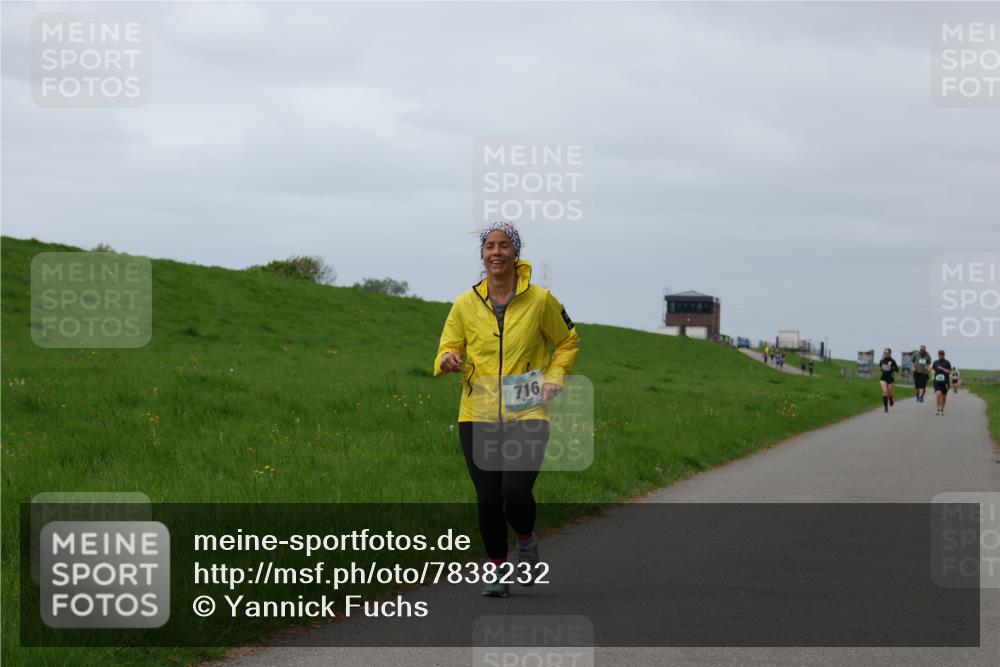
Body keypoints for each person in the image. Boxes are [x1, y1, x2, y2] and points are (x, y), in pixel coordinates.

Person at [434, 221, 580, 597]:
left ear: (516, 253)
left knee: (515, 490)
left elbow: (567, 342)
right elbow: (449, 345)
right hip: (477, 409)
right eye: (489, 246)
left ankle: (527, 543)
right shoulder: (465, 303)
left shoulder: (541, 300)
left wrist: (554, 377)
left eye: (503, 246)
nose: (496, 252)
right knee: (487, 496)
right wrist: (448, 358)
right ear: (482, 255)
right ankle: (497, 570)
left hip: (526, 406)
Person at [931, 350, 953, 415]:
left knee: (944, 396)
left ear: (944, 355)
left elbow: (949, 372)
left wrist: (943, 369)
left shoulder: (947, 362)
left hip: (945, 381)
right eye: (940, 354)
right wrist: (932, 371)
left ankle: (942, 409)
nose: (941, 355)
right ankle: (937, 408)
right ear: (938, 355)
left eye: (942, 354)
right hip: (937, 381)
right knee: (938, 394)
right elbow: (932, 369)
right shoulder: (935, 362)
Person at [878, 348, 899, 412]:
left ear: (890, 353)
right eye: (885, 353)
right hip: (883, 378)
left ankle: (891, 399)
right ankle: (886, 408)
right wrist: (881, 368)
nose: (886, 354)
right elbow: (880, 368)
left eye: (888, 353)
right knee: (885, 391)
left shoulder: (892, 361)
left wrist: (892, 368)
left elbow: (897, 370)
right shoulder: (881, 361)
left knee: (890, 393)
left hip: (890, 378)